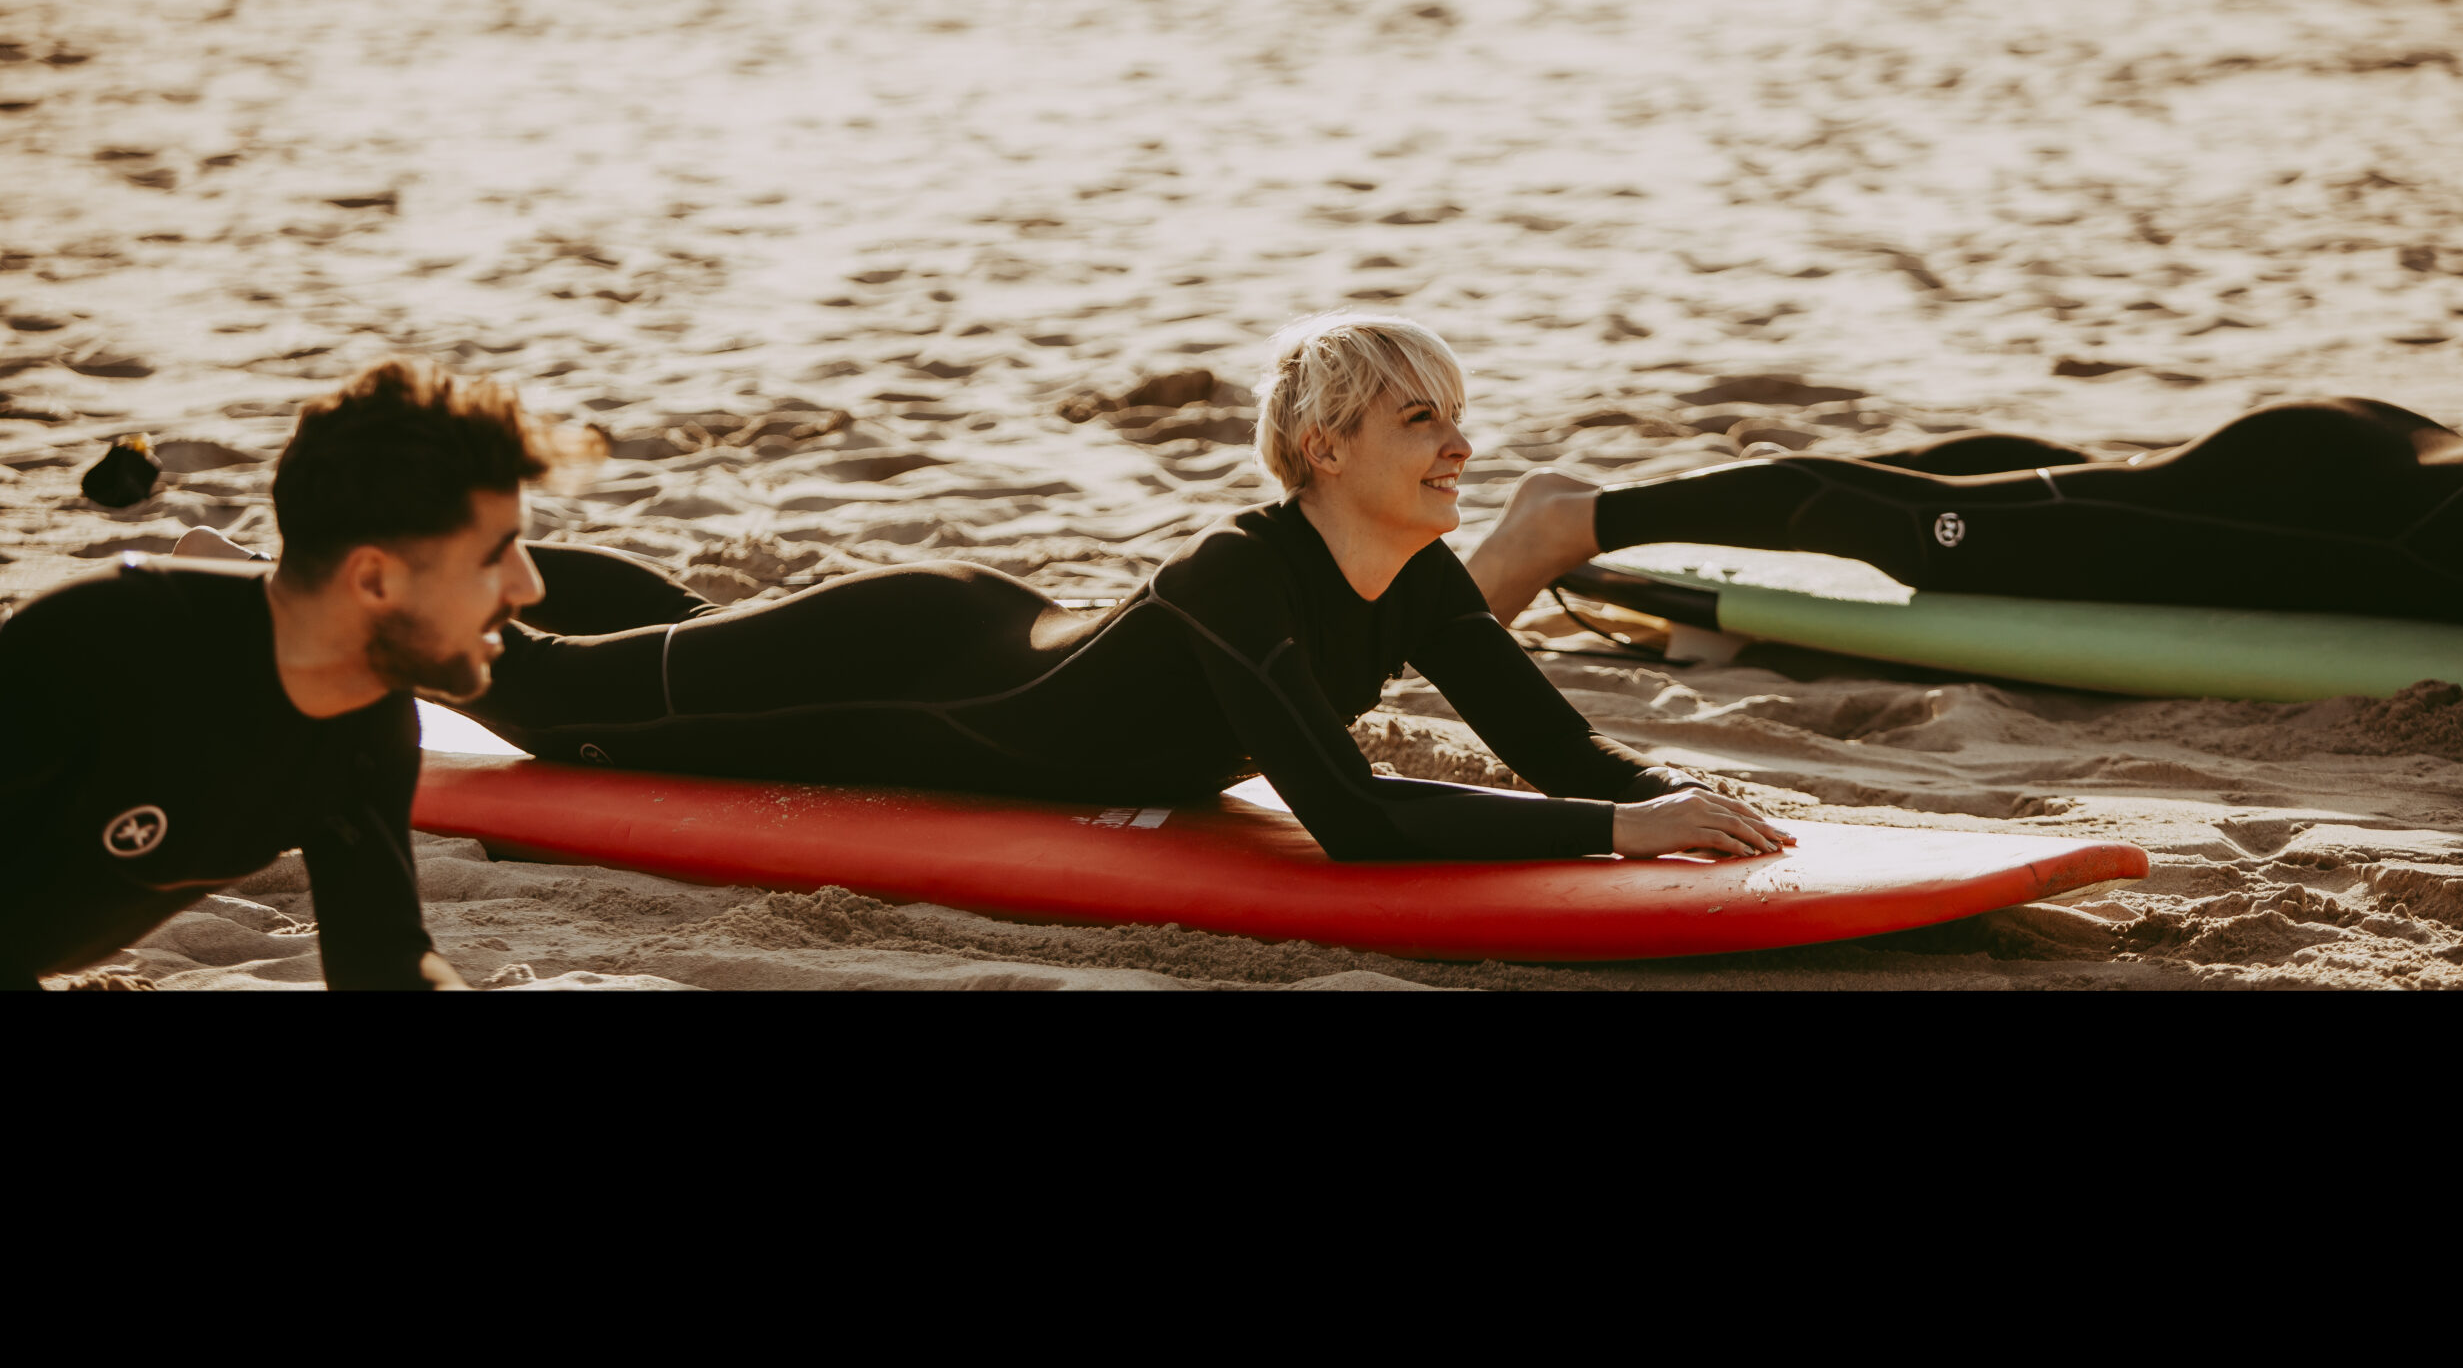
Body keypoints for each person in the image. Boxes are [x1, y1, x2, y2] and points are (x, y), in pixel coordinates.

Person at [453, 313, 1792, 863]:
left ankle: (506, 565)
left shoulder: (1424, 577)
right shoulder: (1237, 573)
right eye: (1418, 419)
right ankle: (413, 561)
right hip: (906, 664)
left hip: (973, 622)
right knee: (545, 695)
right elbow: (1352, 811)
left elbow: (1555, 745)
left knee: (687, 636)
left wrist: (1669, 802)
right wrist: (1617, 835)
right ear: (1324, 449)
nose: (1460, 446)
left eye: (1458, 414)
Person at [0, 360, 551, 991]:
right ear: (372, 579)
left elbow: (382, 959)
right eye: (494, 554)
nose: (528, 585)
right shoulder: (98, 645)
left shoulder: (367, 719)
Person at [1463, 397, 2463, 661]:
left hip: (2372, 472)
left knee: (2066, 498)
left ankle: (1574, 498)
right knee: (1918, 535)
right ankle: (1572, 524)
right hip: (2339, 510)